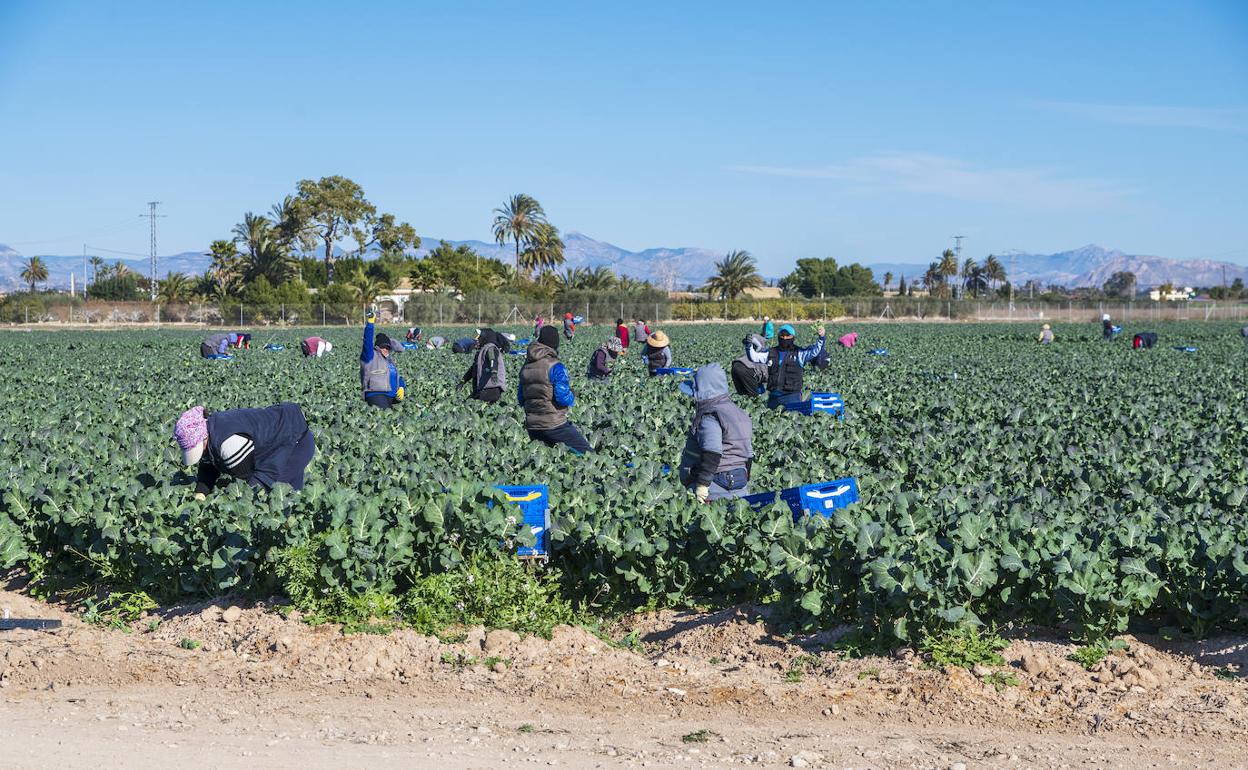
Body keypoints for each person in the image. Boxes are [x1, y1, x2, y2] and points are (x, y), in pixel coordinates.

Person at [173, 403, 315, 500]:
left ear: (203, 437)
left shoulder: (229, 444)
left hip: (295, 440)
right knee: (289, 495)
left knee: (279, 494)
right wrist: (201, 492)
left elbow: (251, 482)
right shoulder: (209, 430)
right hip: (278, 437)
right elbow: (208, 465)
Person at [678, 364, 754, 503]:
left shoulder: (710, 416)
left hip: (715, 486)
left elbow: (712, 451)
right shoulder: (739, 413)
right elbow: (748, 453)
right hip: (739, 483)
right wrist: (745, 477)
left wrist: (702, 485)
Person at [518, 326, 592, 453]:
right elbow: (562, 398)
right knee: (588, 454)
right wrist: (572, 395)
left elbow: (521, 398)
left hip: (532, 427)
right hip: (554, 425)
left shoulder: (526, 366)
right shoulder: (556, 366)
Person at [765, 324, 827, 409]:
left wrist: (821, 338)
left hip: (791, 396)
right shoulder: (771, 352)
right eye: (782, 336)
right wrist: (749, 346)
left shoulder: (799, 353)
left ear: (793, 337)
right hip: (774, 396)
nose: (784, 338)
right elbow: (755, 357)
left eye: (787, 336)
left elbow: (814, 352)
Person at [360, 310, 406, 409]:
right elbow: (367, 341)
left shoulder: (389, 361)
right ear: (377, 347)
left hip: (392, 397)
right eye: (383, 347)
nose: (385, 349)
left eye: (388, 347)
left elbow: (398, 377)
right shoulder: (370, 356)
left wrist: (402, 387)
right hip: (376, 394)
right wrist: (370, 323)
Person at [461, 328, 507, 403]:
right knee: (467, 403)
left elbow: (493, 360)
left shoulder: (491, 348)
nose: (477, 339)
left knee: (473, 404)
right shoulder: (482, 351)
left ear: (485, 338)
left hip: (492, 388)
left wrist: (494, 372)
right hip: (483, 388)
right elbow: (473, 369)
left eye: (479, 337)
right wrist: (463, 381)